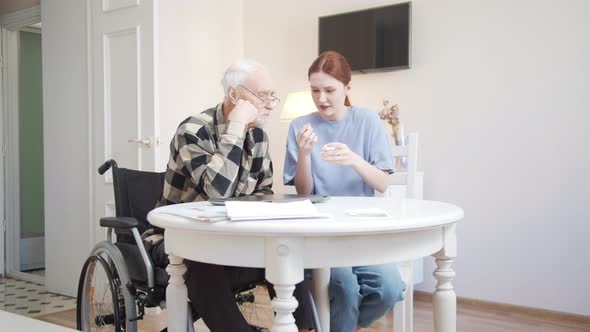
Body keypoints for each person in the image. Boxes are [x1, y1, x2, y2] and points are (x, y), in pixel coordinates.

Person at [156, 59, 314, 332]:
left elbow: (263, 194)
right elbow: (217, 192)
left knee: (285, 252)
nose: (270, 104)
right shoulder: (193, 132)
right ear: (234, 95)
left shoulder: (260, 137)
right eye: (262, 96)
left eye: (271, 96)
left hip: (232, 239)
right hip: (180, 239)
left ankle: (305, 329)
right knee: (200, 258)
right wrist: (236, 127)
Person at [283, 51, 405, 332]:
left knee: (390, 288)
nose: (321, 98)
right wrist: (304, 155)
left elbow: (382, 184)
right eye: (315, 90)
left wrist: (354, 159)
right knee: (344, 288)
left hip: (360, 231)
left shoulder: (367, 120)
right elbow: (303, 193)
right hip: (319, 234)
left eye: (329, 90)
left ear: (347, 88)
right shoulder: (300, 126)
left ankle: (344, 324)